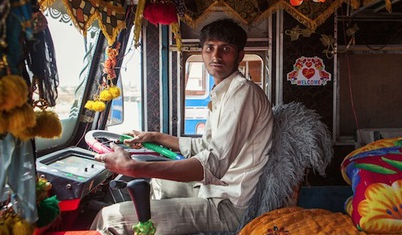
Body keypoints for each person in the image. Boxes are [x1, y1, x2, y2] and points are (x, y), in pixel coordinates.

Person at [91, 18, 274, 235]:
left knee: (108, 218)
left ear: (239, 56)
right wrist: (156, 137)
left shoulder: (243, 93)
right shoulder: (223, 93)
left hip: (227, 206)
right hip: (214, 189)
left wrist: (133, 168)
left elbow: (213, 164)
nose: (216, 56)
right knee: (158, 182)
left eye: (225, 49)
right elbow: (205, 146)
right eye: (210, 48)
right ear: (202, 53)